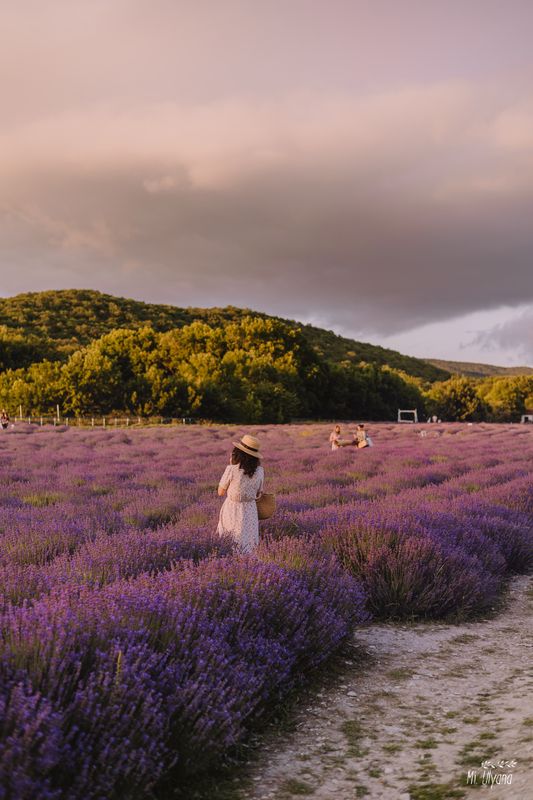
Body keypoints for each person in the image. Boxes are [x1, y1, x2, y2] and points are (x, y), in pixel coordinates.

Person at [217, 434, 264, 554]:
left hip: (232, 509)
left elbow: (220, 492)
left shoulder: (232, 469)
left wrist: (231, 464)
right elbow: (259, 493)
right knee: (249, 542)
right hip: (250, 510)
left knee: (230, 539)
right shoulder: (260, 471)